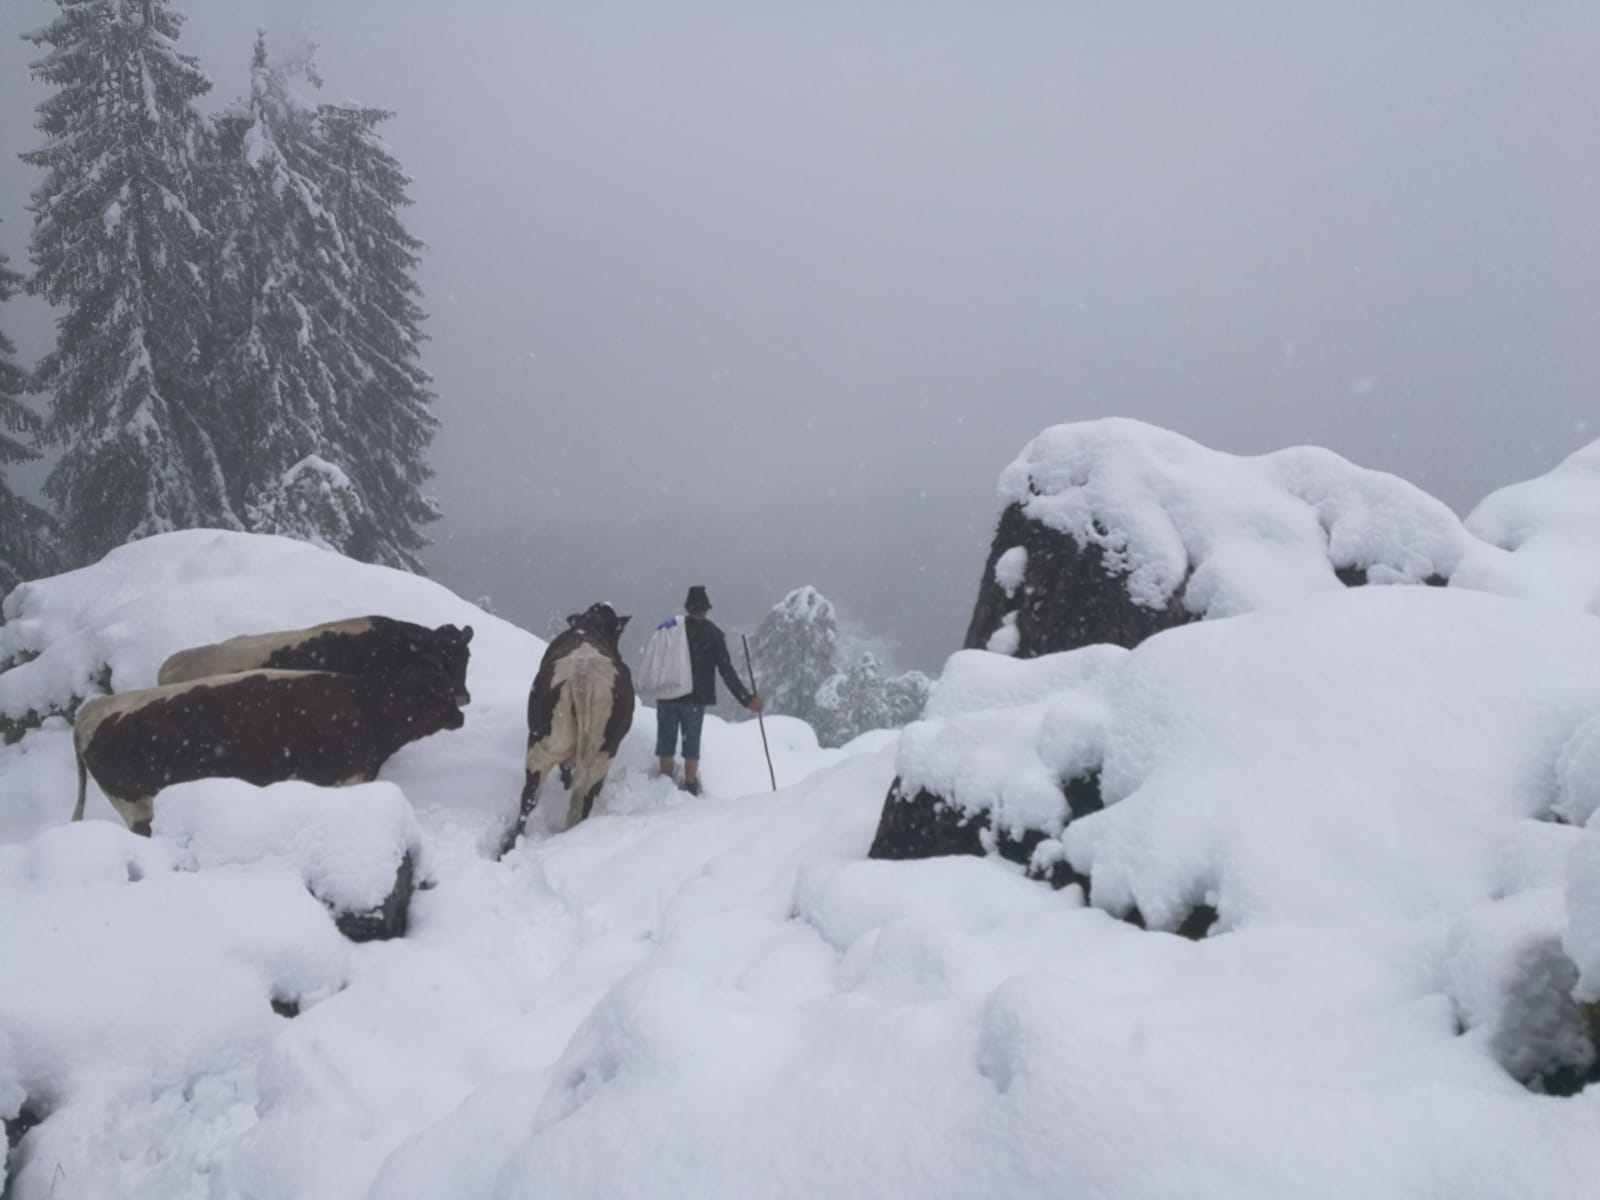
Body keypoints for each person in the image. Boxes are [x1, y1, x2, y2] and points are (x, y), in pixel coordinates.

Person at [656, 585, 763, 795]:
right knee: (691, 744)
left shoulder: (671, 629)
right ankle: (690, 785)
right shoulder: (713, 634)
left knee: (666, 743)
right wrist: (747, 699)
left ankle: (664, 785)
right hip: (695, 699)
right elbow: (726, 671)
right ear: (705, 609)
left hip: (668, 695)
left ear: (687, 608)